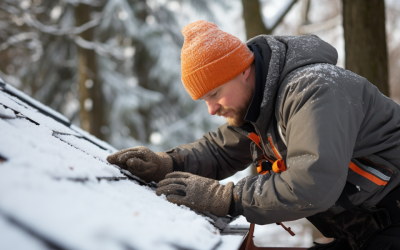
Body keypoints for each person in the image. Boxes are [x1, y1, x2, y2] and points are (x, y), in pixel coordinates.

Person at [106, 20, 400, 250]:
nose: (211, 109)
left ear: (244, 70)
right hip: (365, 234)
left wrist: (229, 197)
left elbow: (313, 184)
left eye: (215, 93)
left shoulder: (314, 90)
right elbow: (220, 150)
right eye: (204, 100)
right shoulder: (261, 106)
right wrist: (166, 163)